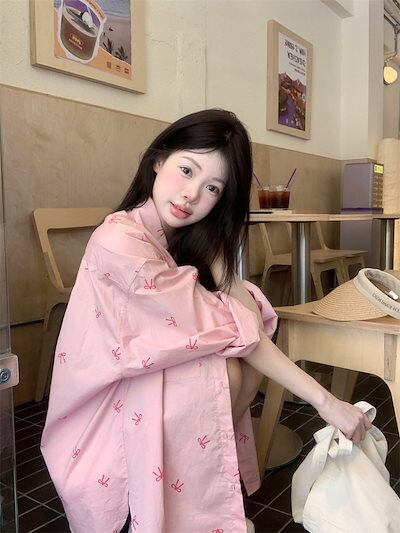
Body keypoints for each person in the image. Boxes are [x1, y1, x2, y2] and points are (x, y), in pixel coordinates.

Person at [41, 109, 371, 533]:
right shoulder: (121, 241)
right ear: (158, 159)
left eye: (212, 187)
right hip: (104, 397)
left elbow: (243, 317)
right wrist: (326, 403)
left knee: (234, 359)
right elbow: (238, 327)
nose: (190, 195)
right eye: (186, 170)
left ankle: (194, 500)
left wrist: (217, 254)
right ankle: (179, 510)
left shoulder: (174, 238)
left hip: (139, 370)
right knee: (223, 366)